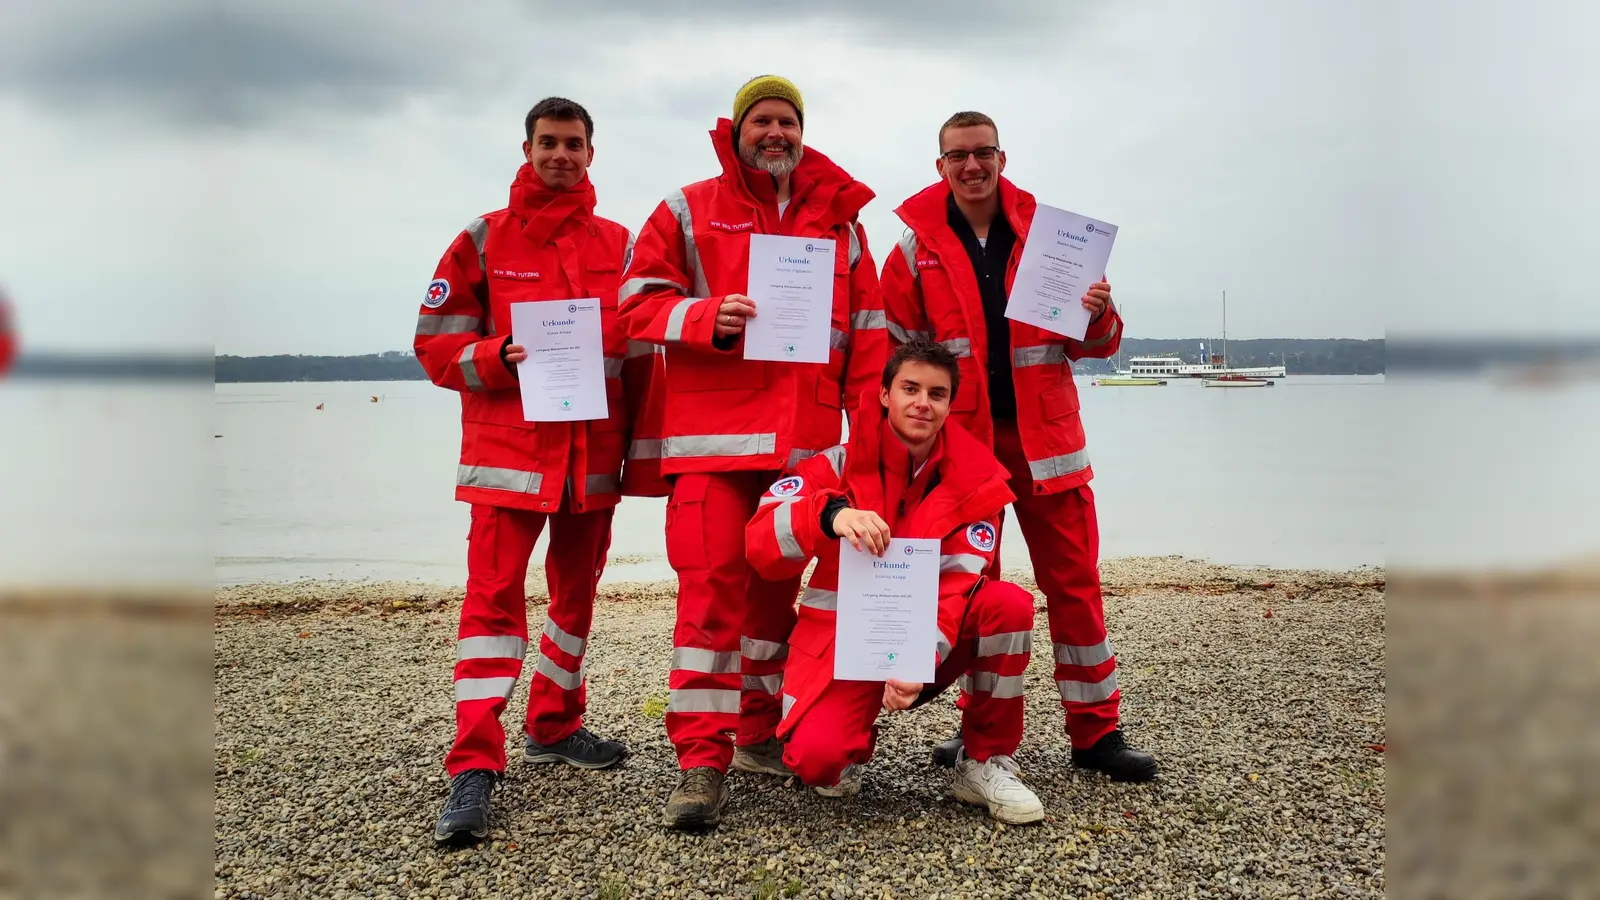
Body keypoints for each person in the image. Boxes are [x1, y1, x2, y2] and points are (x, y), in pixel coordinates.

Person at [617, 74, 889, 829]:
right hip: (709, 451)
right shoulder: (685, 208)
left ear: (802, 133)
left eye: (788, 122)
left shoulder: (842, 222)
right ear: (736, 130)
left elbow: (867, 339)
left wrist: (862, 445)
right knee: (709, 603)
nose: (776, 133)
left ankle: (759, 736)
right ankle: (701, 763)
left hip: (803, 452)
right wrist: (708, 316)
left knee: (772, 606)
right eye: (762, 120)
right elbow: (633, 306)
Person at [877, 111, 1159, 782]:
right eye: (957, 156)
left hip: (1047, 444)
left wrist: (1099, 312)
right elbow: (895, 362)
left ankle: (1097, 734)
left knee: (1076, 588)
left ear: (1002, 158)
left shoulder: (1049, 239)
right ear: (939, 165)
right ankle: (981, 733)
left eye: (983, 154)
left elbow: (1092, 345)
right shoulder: (911, 252)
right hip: (962, 451)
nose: (971, 166)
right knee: (976, 590)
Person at [414, 97, 661, 843]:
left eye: (574, 144)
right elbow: (432, 345)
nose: (561, 155)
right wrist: (495, 357)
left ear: (592, 154)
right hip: (508, 462)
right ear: (526, 149)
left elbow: (643, 355)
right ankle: (474, 764)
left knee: (574, 601)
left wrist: (646, 461)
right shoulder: (482, 238)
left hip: (591, 460)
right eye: (548, 143)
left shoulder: (621, 245)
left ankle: (553, 724)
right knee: (491, 608)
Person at [745, 339, 1045, 824]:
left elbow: (957, 584)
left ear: (950, 404)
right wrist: (828, 515)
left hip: (929, 644)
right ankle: (849, 739)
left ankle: (985, 760)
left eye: (937, 393)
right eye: (910, 388)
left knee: (1008, 605)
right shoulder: (835, 465)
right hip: (842, 645)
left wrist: (916, 658)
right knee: (818, 765)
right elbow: (759, 541)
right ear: (884, 394)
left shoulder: (976, 480)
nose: (922, 403)